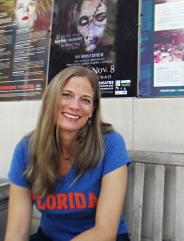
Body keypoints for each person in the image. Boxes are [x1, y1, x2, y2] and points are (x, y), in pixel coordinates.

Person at [5, 66, 131, 241]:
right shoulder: (26, 150)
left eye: (85, 100)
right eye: (66, 95)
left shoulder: (110, 144)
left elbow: (105, 231)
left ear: (92, 110)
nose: (74, 106)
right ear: (50, 99)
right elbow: (16, 232)